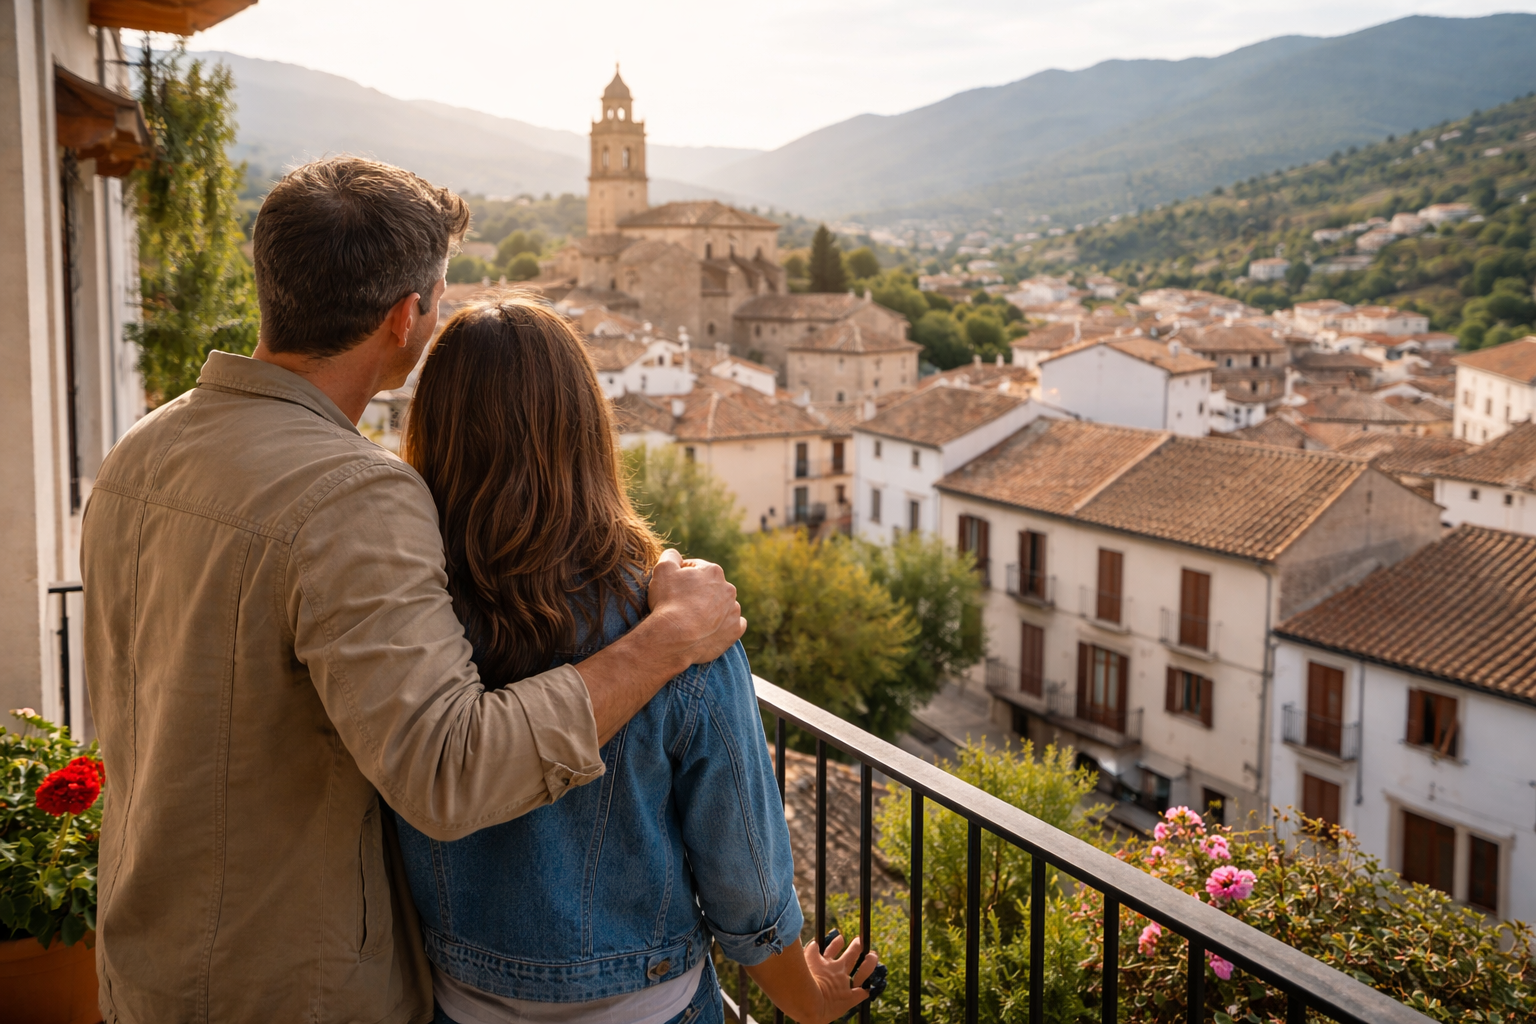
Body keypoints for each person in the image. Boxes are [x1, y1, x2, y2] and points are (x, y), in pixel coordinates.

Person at [79, 157, 744, 1024]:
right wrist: (663, 642)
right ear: (405, 318)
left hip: (146, 957)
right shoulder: (352, 494)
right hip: (290, 985)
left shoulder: (144, 449)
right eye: (438, 296)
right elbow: (450, 771)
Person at [393, 297, 880, 1024]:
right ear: (586, 430)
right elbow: (742, 872)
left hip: (452, 1001)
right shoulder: (674, 621)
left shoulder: (402, 615)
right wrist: (808, 1000)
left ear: (434, 431)